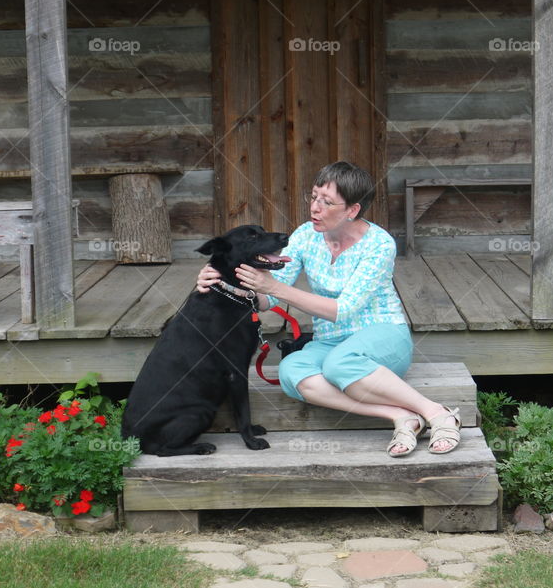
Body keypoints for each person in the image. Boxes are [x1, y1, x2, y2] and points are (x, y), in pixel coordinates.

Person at [196, 161, 460, 456]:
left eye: (327, 202)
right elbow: (269, 297)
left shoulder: (379, 244)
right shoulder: (305, 236)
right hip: (331, 342)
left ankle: (437, 412)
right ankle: (401, 416)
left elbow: (342, 309)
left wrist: (274, 288)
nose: (315, 208)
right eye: (313, 197)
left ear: (352, 210)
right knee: (291, 371)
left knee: (339, 364)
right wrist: (225, 284)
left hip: (383, 335)